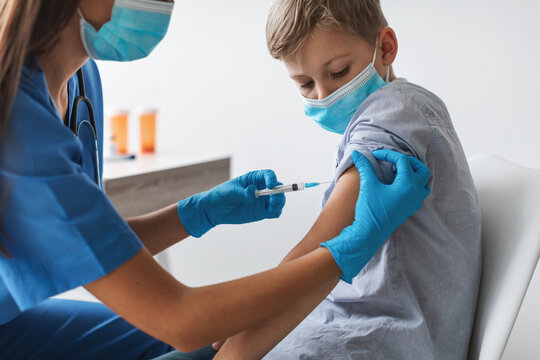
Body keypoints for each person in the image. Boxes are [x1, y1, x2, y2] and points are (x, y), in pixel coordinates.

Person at [0, 0, 431, 359]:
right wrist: (345, 252)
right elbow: (182, 319)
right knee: (200, 336)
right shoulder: (20, 126)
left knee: (200, 341)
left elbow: (78, 244)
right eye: (304, 83)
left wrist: (197, 213)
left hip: (12, 319)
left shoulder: (80, 79)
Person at [174, 0, 478, 359]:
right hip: (340, 329)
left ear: (385, 48)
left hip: (373, 341)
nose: (323, 95)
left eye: (337, 72)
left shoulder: (391, 112)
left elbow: (326, 240)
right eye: (304, 83)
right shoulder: (404, 108)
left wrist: (249, 327)